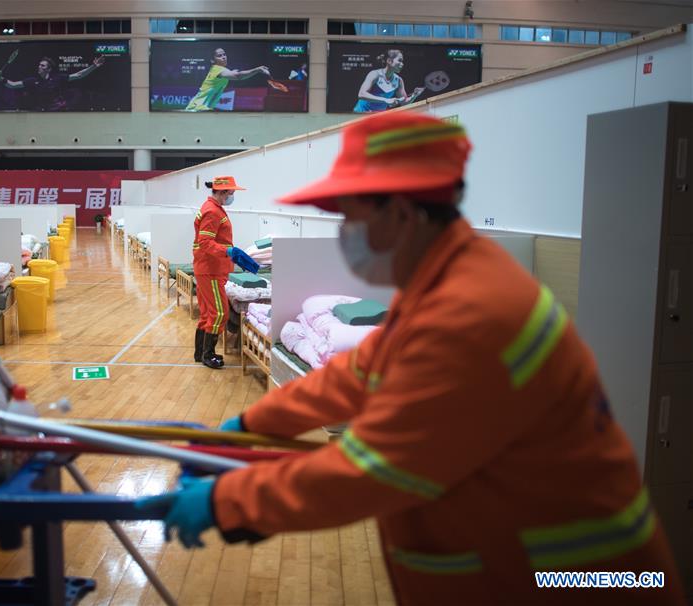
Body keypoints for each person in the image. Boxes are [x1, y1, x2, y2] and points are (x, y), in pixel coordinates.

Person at [140, 112, 685, 605]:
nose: (344, 233)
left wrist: (229, 502)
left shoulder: (477, 312)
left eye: (349, 217)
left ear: (401, 213)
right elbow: (357, 374)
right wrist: (247, 427)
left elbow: (372, 470)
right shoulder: (445, 283)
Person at [191, 176, 260, 369]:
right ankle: (208, 354)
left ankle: (200, 353)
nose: (233, 196)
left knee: (207, 314)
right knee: (220, 312)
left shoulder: (212, 208)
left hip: (209, 268)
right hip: (210, 269)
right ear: (222, 192)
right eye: (231, 193)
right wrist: (228, 251)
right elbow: (205, 243)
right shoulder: (212, 211)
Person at [0, 55, 105, 111]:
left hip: (59, 111)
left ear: (49, 69)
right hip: (41, 112)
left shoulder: (57, 78)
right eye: (39, 65)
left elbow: (79, 75)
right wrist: (1, 79)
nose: (39, 67)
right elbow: (13, 85)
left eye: (42, 65)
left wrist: (94, 66)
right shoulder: (32, 81)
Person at [184, 48, 271, 112]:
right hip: (197, 109)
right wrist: (257, 69)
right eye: (219, 56)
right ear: (212, 60)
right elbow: (238, 76)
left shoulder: (219, 70)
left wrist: (232, 72)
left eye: (224, 54)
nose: (223, 57)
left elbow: (229, 74)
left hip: (201, 109)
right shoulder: (217, 69)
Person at [353, 49, 424, 113]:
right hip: (360, 113)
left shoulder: (398, 81)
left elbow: (404, 102)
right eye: (399, 60)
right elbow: (361, 94)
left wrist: (414, 95)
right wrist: (385, 100)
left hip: (377, 116)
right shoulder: (375, 74)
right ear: (389, 61)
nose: (402, 64)